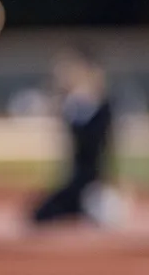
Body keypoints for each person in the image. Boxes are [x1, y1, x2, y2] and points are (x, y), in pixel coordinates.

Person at [30, 45, 115, 226]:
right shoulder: (73, 105)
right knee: (41, 214)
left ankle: (91, 207)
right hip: (76, 180)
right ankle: (82, 209)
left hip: (93, 181)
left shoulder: (97, 105)